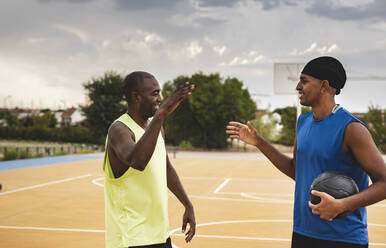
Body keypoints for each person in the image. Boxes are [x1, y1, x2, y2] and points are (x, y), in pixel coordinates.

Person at [226, 56, 386, 248]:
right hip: (303, 233)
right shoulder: (303, 122)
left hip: (343, 239)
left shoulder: (352, 129)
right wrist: (259, 142)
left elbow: (384, 182)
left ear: (324, 86)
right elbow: (297, 170)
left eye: (304, 81)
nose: (297, 87)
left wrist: (342, 205)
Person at [103, 71, 196, 248]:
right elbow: (138, 161)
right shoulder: (119, 130)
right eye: (154, 93)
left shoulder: (156, 128)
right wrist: (160, 115)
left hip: (159, 234)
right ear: (136, 97)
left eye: (160, 93)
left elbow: (166, 169)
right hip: (131, 237)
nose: (160, 98)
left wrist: (187, 204)